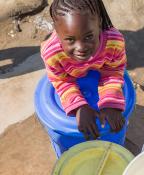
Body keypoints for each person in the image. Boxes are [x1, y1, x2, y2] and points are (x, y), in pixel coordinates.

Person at [40, 0, 126, 140]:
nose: (81, 48)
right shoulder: (52, 54)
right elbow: (61, 80)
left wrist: (110, 103)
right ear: (56, 31)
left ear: (99, 23)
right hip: (69, 76)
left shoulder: (114, 42)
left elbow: (114, 70)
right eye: (70, 40)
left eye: (88, 37)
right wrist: (79, 107)